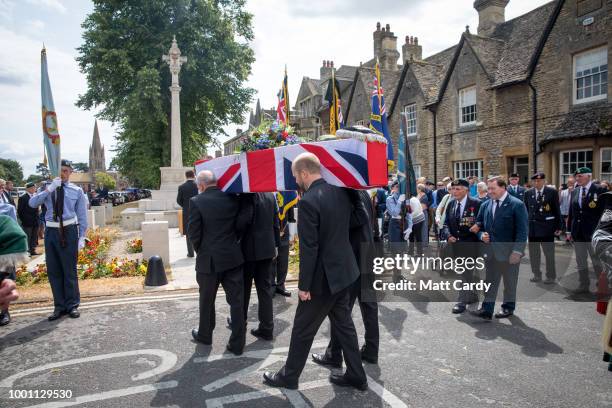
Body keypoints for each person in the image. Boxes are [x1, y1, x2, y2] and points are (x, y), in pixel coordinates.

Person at [263, 152, 368, 391]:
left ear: (303, 173)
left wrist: (304, 286)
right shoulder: (341, 191)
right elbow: (358, 220)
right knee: (344, 325)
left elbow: (309, 248)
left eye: (295, 176)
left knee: (302, 328)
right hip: (344, 272)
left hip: (322, 279)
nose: (295, 181)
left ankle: (289, 377)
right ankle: (356, 375)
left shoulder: (309, 201)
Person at [312, 189, 380, 367]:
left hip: (352, 256)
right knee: (369, 305)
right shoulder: (363, 192)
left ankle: (334, 354)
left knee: (341, 309)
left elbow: (354, 221)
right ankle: (372, 350)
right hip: (367, 252)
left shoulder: (343, 193)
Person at [188, 170, 247, 355]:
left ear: (201, 185)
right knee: (236, 302)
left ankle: (205, 335)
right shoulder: (232, 199)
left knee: (207, 301)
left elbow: (194, 234)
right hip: (232, 257)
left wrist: (202, 251)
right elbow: (240, 225)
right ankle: (238, 343)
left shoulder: (196, 202)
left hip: (209, 261)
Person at [29, 160, 88, 321]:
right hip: (51, 231)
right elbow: (32, 203)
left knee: (69, 270)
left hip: (68, 230)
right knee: (54, 270)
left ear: (70, 173)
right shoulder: (47, 188)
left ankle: (72, 305)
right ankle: (59, 306)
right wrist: (49, 189)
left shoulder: (76, 190)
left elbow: (82, 216)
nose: (63, 173)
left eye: (66, 171)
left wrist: (81, 236)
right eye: (60, 170)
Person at [470, 177, 528, 320]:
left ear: (503, 188)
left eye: (492, 189)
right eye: (488, 189)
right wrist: (480, 235)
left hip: (510, 253)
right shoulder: (485, 205)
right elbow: (478, 226)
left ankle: (508, 308)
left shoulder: (517, 205)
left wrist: (517, 251)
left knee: (509, 283)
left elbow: (522, 231)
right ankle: (487, 310)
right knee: (490, 282)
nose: (489, 192)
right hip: (491, 252)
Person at [239, 192, 280, 341]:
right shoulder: (270, 195)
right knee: (265, 290)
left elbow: (242, 222)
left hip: (249, 250)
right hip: (267, 249)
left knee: (244, 289)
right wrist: (276, 245)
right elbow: (276, 222)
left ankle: (240, 322)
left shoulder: (246, 196)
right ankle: (267, 328)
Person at [442, 179, 482, 314]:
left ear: (466, 190)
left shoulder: (476, 204)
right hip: (456, 245)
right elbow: (446, 223)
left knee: (465, 272)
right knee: (465, 272)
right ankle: (472, 296)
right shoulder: (451, 203)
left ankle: (461, 301)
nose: (454, 191)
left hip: (471, 244)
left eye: (458, 189)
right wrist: (448, 235)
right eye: (453, 189)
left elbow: (481, 222)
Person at [567, 167, 607, 293]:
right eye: (576, 176)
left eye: (580, 176)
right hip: (578, 232)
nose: (577, 178)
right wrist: (569, 231)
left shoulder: (600, 190)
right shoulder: (575, 191)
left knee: (597, 261)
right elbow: (571, 212)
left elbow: (605, 213)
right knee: (580, 260)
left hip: (594, 232)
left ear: (589, 176)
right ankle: (583, 284)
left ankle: (601, 286)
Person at [524, 172, 562, 284]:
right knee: (534, 254)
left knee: (549, 254)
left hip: (547, 228)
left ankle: (550, 276)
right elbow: (525, 210)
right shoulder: (528, 193)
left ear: (544, 181)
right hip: (533, 228)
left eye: (539, 180)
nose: (537, 182)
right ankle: (536, 274)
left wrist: (559, 226)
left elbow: (556, 210)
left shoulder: (552, 192)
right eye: (535, 181)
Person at [0, 215, 29, 326]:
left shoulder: (7, 210)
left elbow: (13, 227)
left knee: (5, 284)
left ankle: (4, 312)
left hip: (6, 252)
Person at [273, 193, 295, 297]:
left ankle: (280, 285)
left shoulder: (286, 189)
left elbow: (290, 208)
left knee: (283, 260)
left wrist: (291, 232)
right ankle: (271, 286)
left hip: (284, 227)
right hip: (271, 228)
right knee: (271, 259)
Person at [176, 170, 199, 258]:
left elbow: (178, 200)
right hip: (199, 209)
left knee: (189, 232)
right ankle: (199, 252)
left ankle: (191, 253)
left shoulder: (182, 187)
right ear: (194, 175)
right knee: (199, 230)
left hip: (187, 212)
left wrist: (185, 206)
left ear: (186, 176)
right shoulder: (198, 185)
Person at [18, 182, 40, 256]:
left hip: (35, 220)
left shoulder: (35, 196)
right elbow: (20, 211)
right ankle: (27, 251)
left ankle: (32, 250)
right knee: (28, 236)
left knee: (34, 236)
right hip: (27, 221)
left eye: (35, 188)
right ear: (29, 188)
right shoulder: (23, 197)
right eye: (33, 188)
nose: (35, 189)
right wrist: (24, 220)